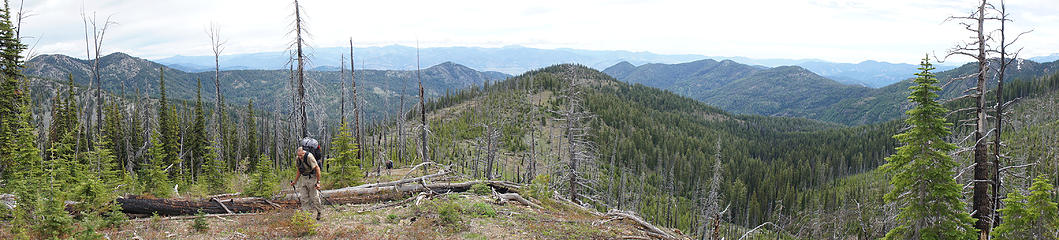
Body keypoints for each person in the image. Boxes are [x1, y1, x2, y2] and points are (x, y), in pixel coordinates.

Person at [291, 146, 322, 220]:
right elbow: (299, 170)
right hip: (304, 178)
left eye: (301, 155)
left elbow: (317, 169)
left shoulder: (309, 157)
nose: (300, 157)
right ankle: (307, 216)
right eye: (298, 155)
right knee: (304, 198)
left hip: (312, 177)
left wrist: (318, 182)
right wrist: (295, 181)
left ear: (303, 152)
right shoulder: (298, 158)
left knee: (314, 197)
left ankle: (319, 212)